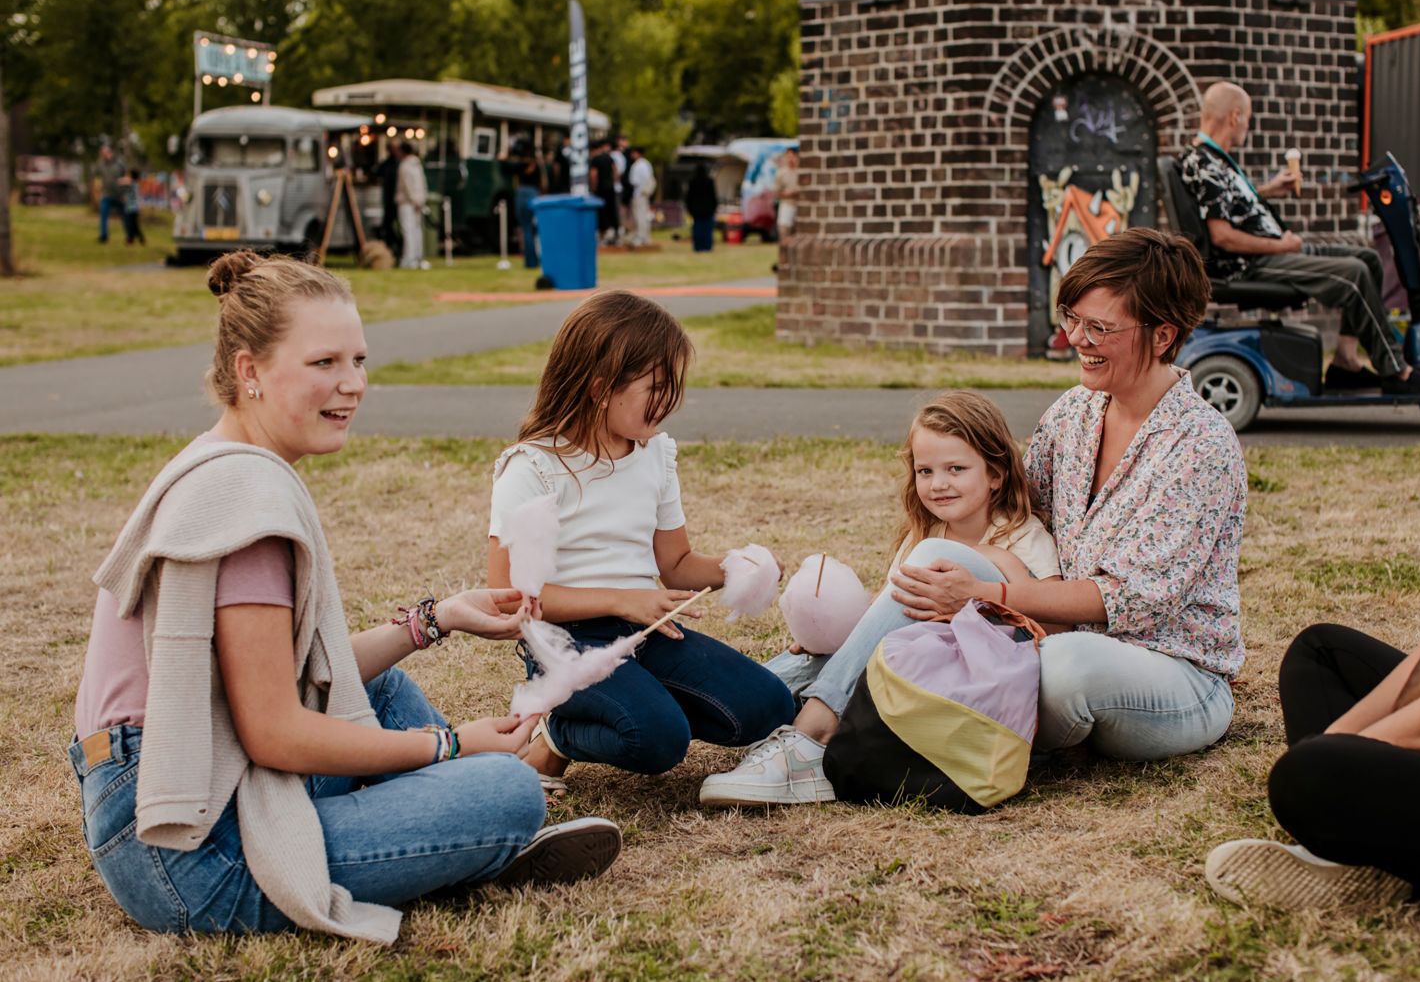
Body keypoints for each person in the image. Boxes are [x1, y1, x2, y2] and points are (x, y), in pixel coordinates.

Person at [69, 251, 621, 941]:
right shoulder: (246, 500)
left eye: (357, 360)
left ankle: (456, 829)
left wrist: (436, 618)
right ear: (249, 372)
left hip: (179, 780)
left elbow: (294, 674)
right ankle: (475, 828)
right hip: (188, 853)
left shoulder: (223, 463)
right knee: (505, 790)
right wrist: (447, 745)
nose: (352, 383)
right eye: (324, 363)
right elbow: (273, 730)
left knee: (380, 688)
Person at [1204, 211, 1420, 917]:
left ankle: (1375, 842)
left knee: (1312, 776)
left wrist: (1357, 754)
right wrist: (1354, 748)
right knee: (1319, 656)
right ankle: (1383, 839)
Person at [901, 229, 1247, 763]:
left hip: (1172, 673)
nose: (1076, 340)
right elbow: (1016, 517)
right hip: (1046, 635)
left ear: (1162, 336)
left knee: (1065, 668)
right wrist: (949, 556)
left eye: (1099, 327)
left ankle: (929, 730)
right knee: (932, 564)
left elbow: (1129, 600)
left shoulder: (1201, 443)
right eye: (1072, 319)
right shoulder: (1072, 413)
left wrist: (982, 593)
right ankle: (817, 716)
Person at [486, 290, 795, 790]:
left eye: (674, 385)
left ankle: (638, 698)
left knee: (770, 707)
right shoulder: (534, 468)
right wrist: (623, 599)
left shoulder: (654, 455)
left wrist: (739, 567)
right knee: (658, 739)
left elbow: (676, 564)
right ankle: (556, 735)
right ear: (600, 387)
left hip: (646, 632)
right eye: (656, 386)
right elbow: (506, 601)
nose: (670, 400)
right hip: (568, 646)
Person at [699, 390, 1061, 806]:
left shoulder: (1020, 536)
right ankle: (742, 709)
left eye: (956, 469)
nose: (938, 484)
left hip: (964, 675)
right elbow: (885, 621)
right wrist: (834, 639)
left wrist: (992, 562)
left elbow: (1055, 626)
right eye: (925, 471)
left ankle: (809, 737)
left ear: (995, 474)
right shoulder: (921, 539)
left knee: (917, 579)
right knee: (805, 661)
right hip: (906, 662)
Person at [1180, 81, 1420, 396]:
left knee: (1367, 258)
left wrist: (1266, 191)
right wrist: (1281, 245)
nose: (1248, 126)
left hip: (1270, 251)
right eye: (1248, 118)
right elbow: (1222, 237)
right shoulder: (1204, 164)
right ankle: (1397, 370)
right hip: (1249, 263)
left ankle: (1346, 361)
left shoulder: (1214, 159)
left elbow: (1223, 206)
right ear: (1235, 116)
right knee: (1353, 275)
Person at [394, 142, 427, 269]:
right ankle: (417, 257)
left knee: (409, 231)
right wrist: (420, 200)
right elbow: (422, 184)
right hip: (417, 201)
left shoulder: (405, 166)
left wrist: (414, 200)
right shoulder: (417, 165)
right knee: (416, 230)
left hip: (408, 203)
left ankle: (410, 259)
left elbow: (407, 186)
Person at [512, 141, 544, 269]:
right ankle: (538, 259)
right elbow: (544, 182)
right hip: (534, 194)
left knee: (526, 229)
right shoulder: (538, 164)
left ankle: (530, 262)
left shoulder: (519, 164)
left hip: (522, 193)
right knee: (536, 229)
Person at [95, 143, 128, 245]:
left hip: (119, 195)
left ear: (111, 152)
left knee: (125, 217)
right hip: (106, 195)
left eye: (106, 152)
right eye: (103, 153)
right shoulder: (101, 164)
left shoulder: (120, 164)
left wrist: (125, 193)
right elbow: (97, 177)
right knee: (103, 215)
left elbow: (127, 178)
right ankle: (103, 236)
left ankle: (129, 236)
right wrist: (97, 190)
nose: (105, 155)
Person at [588, 140, 620, 245]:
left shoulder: (595, 159)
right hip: (610, 188)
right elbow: (615, 171)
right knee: (612, 210)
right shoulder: (609, 157)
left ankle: (604, 233)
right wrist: (613, 182)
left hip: (600, 189)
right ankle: (615, 232)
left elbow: (593, 175)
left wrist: (593, 188)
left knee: (602, 212)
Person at [627, 147, 656, 249]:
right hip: (644, 194)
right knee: (644, 215)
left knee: (639, 216)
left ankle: (640, 236)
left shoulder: (638, 165)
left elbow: (633, 181)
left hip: (639, 193)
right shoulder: (646, 164)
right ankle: (645, 236)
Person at [686, 163, 718, 253]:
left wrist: (689, 209)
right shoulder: (709, 182)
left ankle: (698, 246)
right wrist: (714, 207)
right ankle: (707, 246)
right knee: (707, 230)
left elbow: (689, 197)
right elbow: (713, 196)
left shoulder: (693, 182)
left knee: (698, 229)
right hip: (708, 210)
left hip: (696, 210)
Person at [374, 149, 400, 251]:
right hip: (390, 199)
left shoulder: (399, 164)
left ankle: (393, 244)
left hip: (393, 199)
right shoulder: (395, 164)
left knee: (390, 225)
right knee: (389, 225)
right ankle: (392, 244)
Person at [773, 147, 800, 242]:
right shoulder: (781, 173)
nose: (791, 159)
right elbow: (776, 192)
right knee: (784, 231)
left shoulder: (801, 172)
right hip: (786, 205)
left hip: (799, 206)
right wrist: (787, 194)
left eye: (793, 156)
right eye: (788, 156)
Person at [121, 170, 146, 246]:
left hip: (131, 208)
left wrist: (120, 179)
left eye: (128, 175)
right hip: (132, 208)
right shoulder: (134, 184)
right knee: (134, 225)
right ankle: (139, 238)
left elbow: (123, 182)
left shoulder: (133, 184)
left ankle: (131, 239)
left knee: (130, 225)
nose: (127, 176)